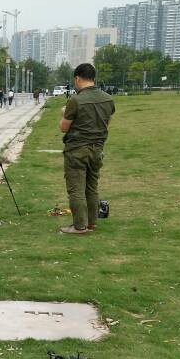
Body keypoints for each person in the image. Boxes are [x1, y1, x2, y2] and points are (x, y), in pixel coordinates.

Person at [58, 62, 115, 236]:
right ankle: (91, 223)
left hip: (77, 150)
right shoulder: (107, 98)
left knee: (76, 189)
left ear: (77, 78)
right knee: (91, 187)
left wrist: (64, 113)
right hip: (97, 149)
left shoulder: (75, 99)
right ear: (93, 78)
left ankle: (79, 226)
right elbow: (107, 122)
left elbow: (64, 127)